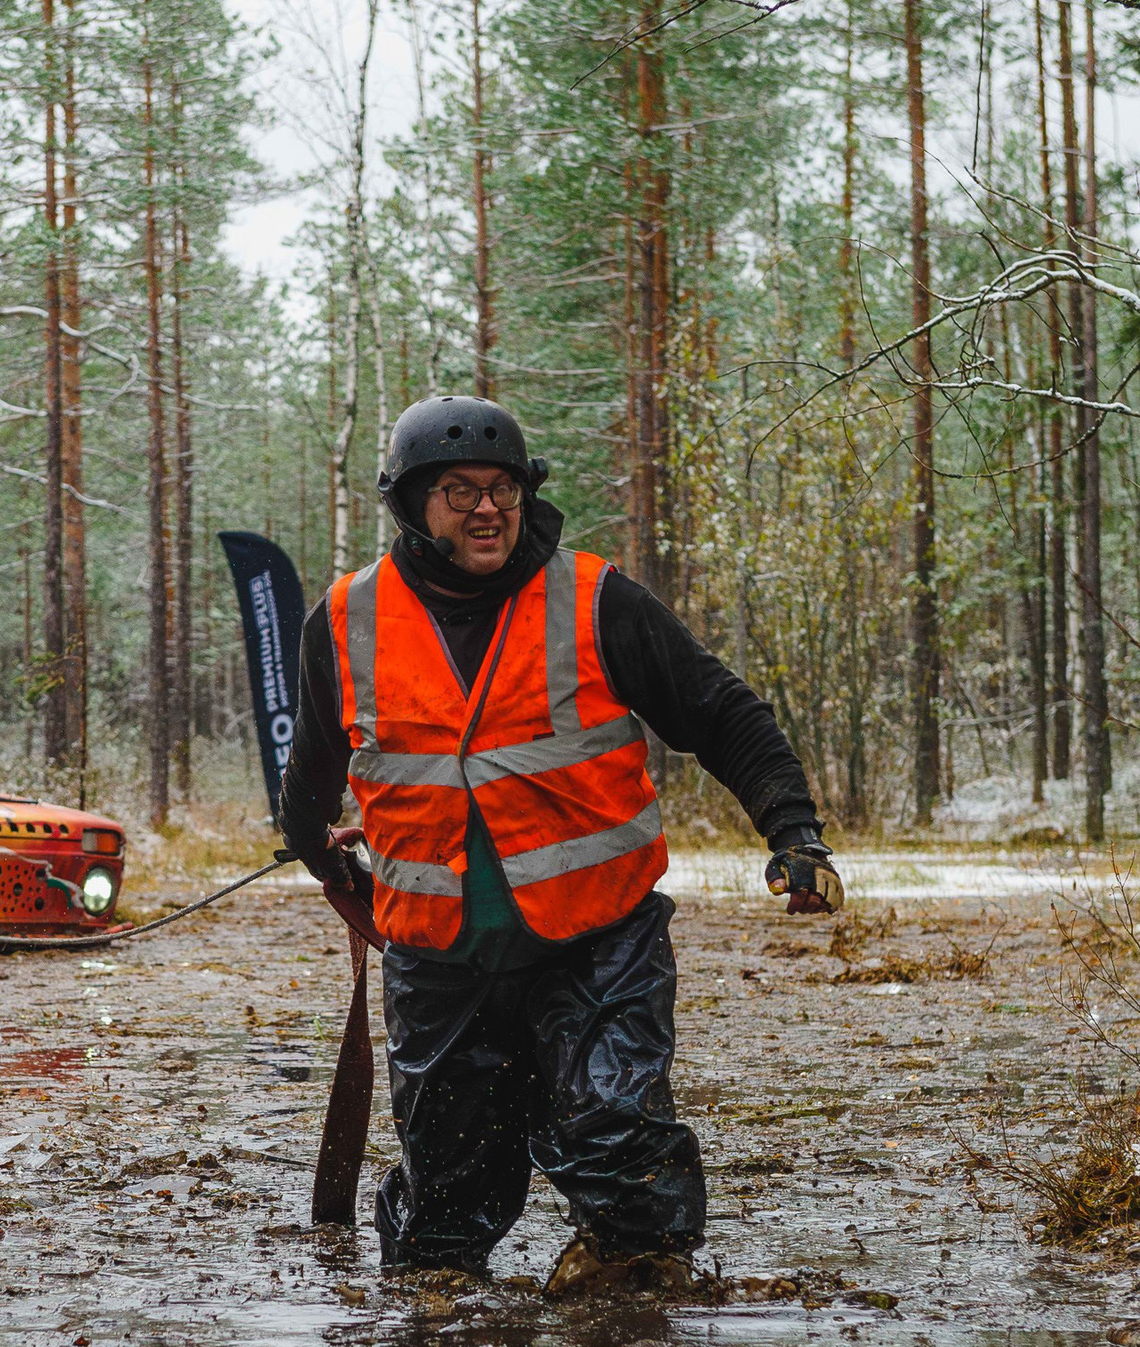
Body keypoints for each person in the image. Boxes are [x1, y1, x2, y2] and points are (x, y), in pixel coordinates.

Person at [278, 394, 842, 1295]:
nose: (487, 507)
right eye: (459, 490)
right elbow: (309, 777)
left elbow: (723, 713)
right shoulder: (343, 621)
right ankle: (445, 1345)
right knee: (442, 1225)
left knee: (623, 1162)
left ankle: (627, 1331)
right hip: (441, 963)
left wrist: (794, 831)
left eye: (502, 485)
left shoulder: (596, 598)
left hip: (598, 945)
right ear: (411, 504)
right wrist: (323, 856)